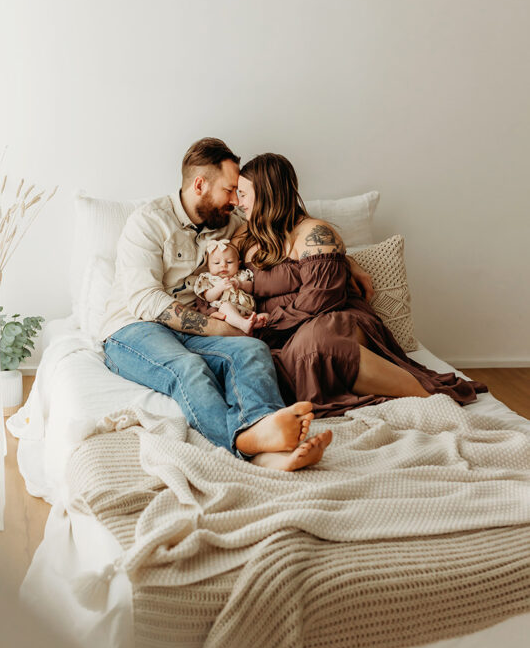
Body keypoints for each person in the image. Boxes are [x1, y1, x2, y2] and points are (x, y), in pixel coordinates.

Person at [99, 138, 333, 471]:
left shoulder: (227, 222)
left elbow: (284, 229)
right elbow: (146, 300)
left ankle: (268, 439)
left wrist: (338, 258)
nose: (237, 201)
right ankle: (242, 442)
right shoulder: (148, 222)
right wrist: (222, 328)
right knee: (189, 368)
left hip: (192, 326)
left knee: (252, 350)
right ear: (200, 185)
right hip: (133, 328)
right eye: (230, 190)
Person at [235, 153, 487, 416]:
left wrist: (266, 325)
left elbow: (319, 301)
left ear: (266, 192)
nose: (237, 202)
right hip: (283, 333)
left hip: (333, 318)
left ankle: (429, 399)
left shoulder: (314, 233)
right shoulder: (246, 235)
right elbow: (218, 275)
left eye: (243, 193)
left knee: (318, 341)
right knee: (269, 359)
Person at [193, 238, 269, 334]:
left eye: (229, 262)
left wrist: (240, 284)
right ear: (208, 266)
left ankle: (250, 323)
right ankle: (243, 325)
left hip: (247, 312)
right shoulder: (208, 278)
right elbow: (208, 297)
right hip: (224, 314)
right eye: (217, 263)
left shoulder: (241, 275)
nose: (223, 265)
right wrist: (220, 287)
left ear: (238, 263)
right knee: (226, 306)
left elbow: (251, 288)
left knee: (267, 316)